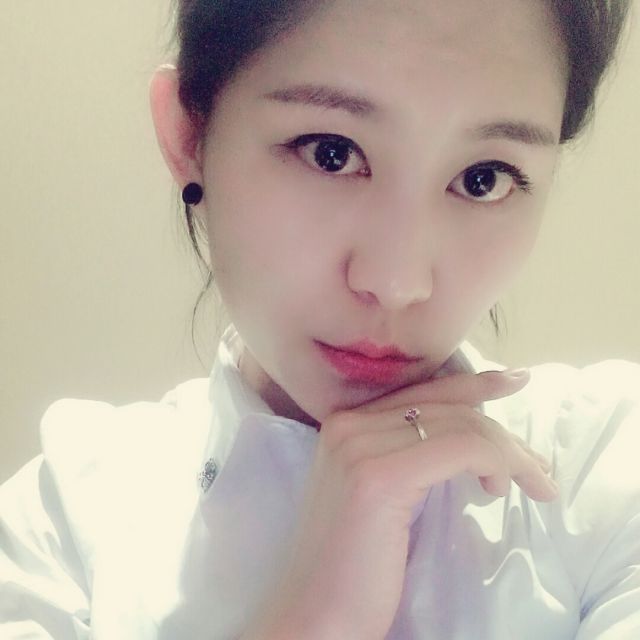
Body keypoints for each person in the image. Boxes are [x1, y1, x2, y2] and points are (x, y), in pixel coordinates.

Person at [1, 0, 637, 638]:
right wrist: (316, 619)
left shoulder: (601, 469)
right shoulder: (60, 531)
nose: (396, 283)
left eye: (483, 178)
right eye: (331, 153)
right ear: (188, 135)